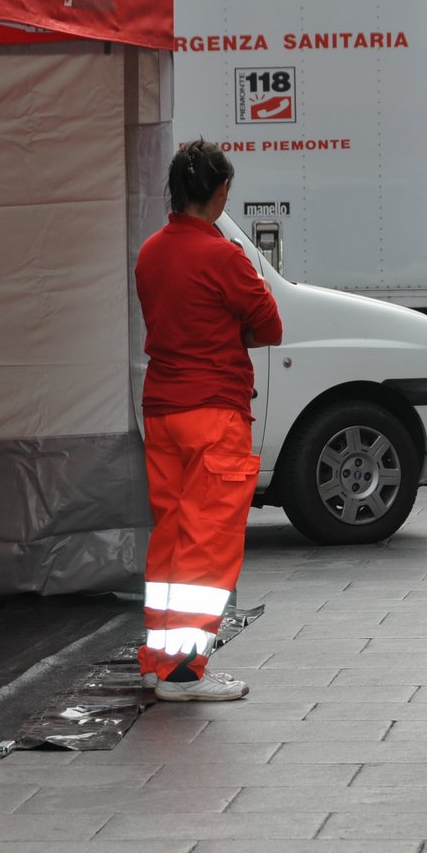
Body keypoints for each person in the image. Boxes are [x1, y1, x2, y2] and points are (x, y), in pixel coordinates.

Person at [135, 140, 282, 702]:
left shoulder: (151, 251)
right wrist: (231, 331)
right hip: (215, 412)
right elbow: (269, 326)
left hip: (163, 410)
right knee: (207, 545)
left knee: (171, 538)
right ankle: (184, 670)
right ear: (220, 193)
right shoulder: (223, 256)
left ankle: (157, 659)